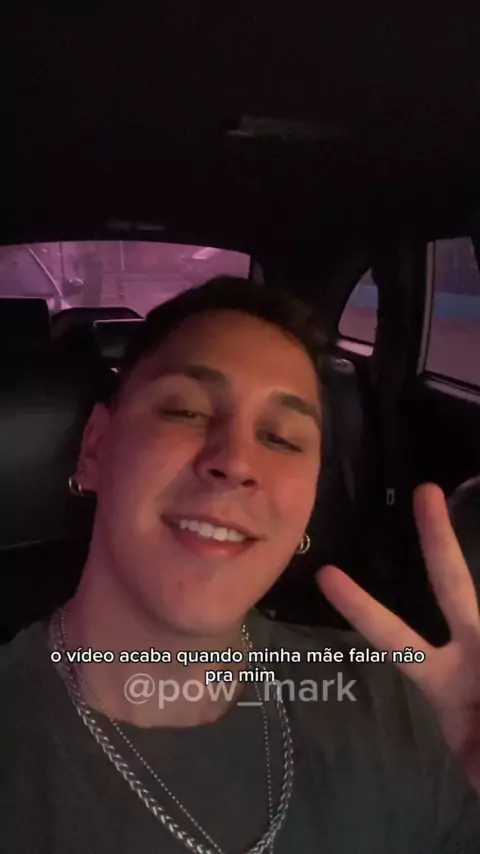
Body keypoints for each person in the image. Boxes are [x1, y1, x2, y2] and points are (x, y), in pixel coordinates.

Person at [1, 276, 480, 853]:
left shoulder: (400, 704)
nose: (236, 461)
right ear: (96, 447)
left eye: (281, 438)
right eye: (185, 410)